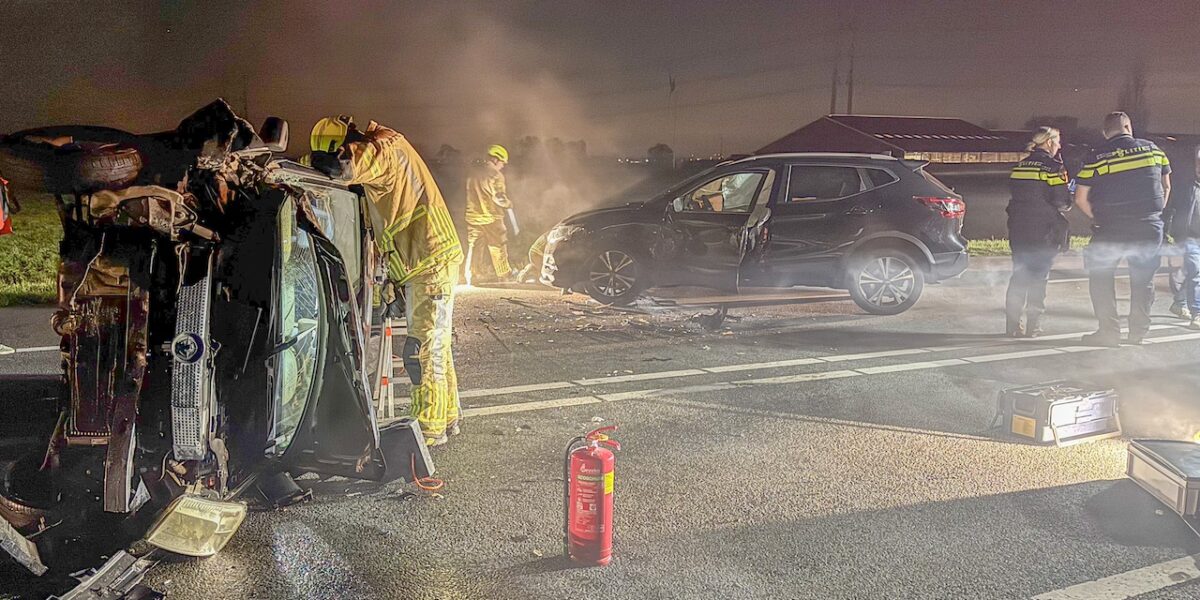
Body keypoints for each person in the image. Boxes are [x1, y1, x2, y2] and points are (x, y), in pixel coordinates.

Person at [309, 116, 464, 447]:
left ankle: (428, 430)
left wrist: (310, 163)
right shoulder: (384, 154)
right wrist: (393, 282)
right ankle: (447, 417)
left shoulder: (384, 148)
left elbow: (344, 168)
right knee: (437, 347)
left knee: (422, 352)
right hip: (422, 260)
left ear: (345, 143)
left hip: (430, 258)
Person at [1074, 112, 1172, 346]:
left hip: (1111, 228)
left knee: (1101, 277)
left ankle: (1108, 333)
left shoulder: (1096, 156)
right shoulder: (1153, 150)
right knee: (1143, 279)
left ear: (1105, 132)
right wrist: (1153, 213)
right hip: (1148, 226)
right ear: (1128, 126)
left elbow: (1080, 198)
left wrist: (1096, 218)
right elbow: (1166, 185)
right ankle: (1138, 332)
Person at [1004, 127, 1072, 337]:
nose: (1059, 146)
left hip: (1019, 228)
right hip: (1044, 231)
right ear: (1050, 142)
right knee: (1039, 277)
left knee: (1019, 275)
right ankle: (1034, 324)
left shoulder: (1020, 166)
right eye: (1058, 142)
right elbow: (1062, 201)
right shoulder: (1054, 166)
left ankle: (1013, 325)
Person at [464, 144, 518, 284]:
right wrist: (508, 204)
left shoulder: (473, 173)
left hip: (473, 217)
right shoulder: (495, 174)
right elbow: (499, 197)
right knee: (498, 245)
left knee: (475, 246)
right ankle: (504, 274)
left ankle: (472, 275)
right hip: (491, 217)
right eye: (502, 163)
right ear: (495, 160)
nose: (502, 166)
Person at [1164, 148, 1200, 329]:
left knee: (1192, 272)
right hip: (1189, 236)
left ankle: (1179, 303)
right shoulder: (1187, 185)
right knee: (1195, 272)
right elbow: (1173, 209)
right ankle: (1197, 313)